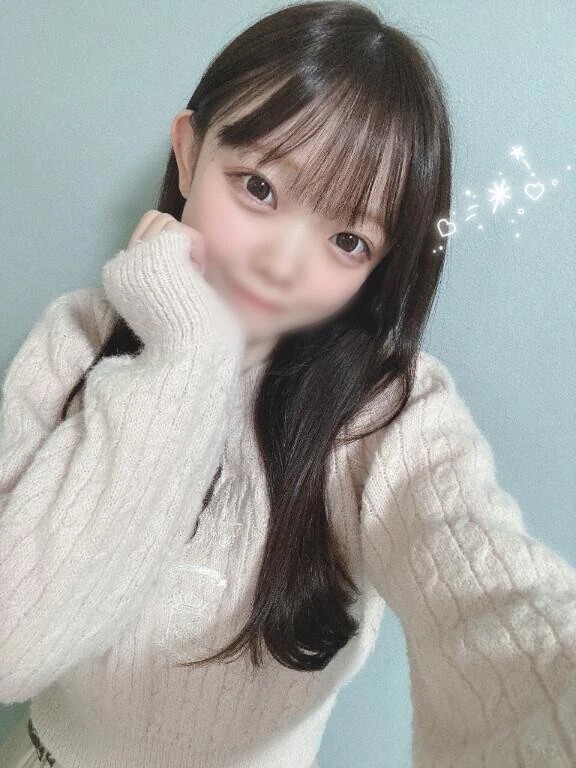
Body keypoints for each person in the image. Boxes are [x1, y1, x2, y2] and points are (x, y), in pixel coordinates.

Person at [0, 1, 575, 766]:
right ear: (188, 152)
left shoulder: (386, 414)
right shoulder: (74, 342)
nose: (280, 262)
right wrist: (187, 355)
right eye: (259, 188)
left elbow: (487, 589)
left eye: (348, 238)